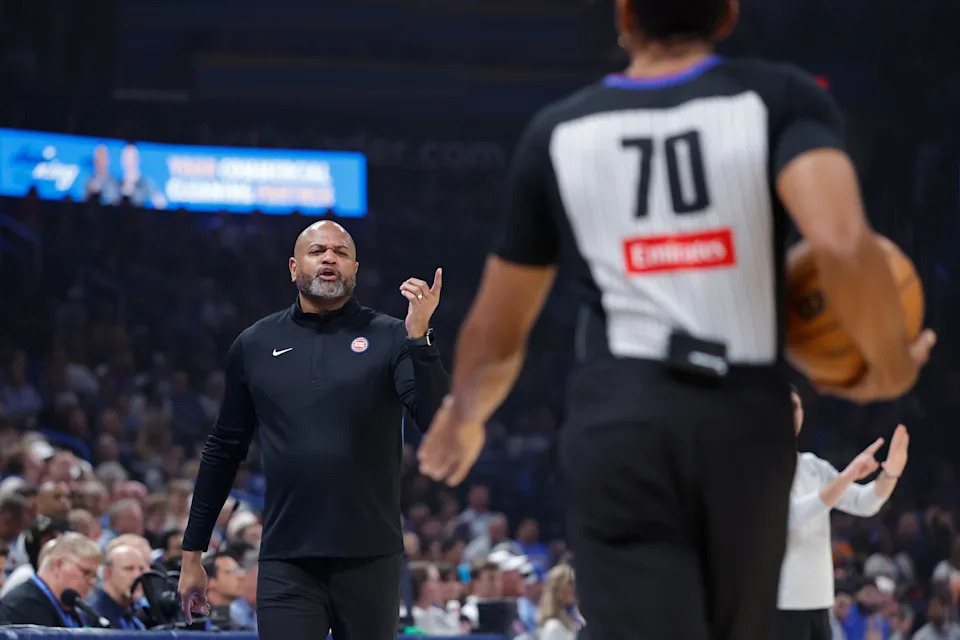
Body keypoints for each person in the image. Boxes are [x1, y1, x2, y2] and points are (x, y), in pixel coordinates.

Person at [416, 0, 936, 637]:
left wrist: (464, 416)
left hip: (620, 421)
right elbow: (842, 246)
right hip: (740, 423)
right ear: (728, 14)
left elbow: (498, 329)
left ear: (624, 15)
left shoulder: (559, 131)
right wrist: (887, 365)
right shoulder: (777, 99)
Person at [178, 220, 449, 639]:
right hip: (288, 559)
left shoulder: (392, 336)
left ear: (354, 269)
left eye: (340, 253)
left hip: (371, 558)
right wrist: (192, 552)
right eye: (317, 250)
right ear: (293, 266)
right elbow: (223, 450)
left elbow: (434, 422)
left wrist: (420, 340)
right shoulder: (254, 344)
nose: (329, 258)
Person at [777, 387, 907, 640]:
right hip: (781, 603)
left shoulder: (813, 466)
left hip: (818, 602)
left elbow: (863, 502)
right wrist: (847, 476)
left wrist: (890, 474)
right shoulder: (758, 465)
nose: (792, 413)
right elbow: (793, 515)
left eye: (796, 406)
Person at [0, 532, 101, 627]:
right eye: (86, 573)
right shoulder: (18, 610)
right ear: (58, 565)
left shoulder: (70, 608)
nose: (92, 582)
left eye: (94, 576)